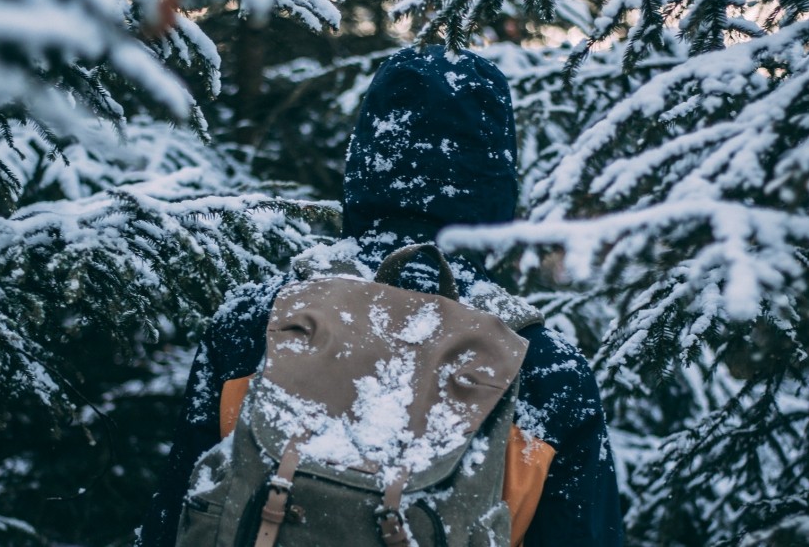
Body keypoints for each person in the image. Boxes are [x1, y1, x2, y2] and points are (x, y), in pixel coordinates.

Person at [138, 45, 624, 546]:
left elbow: (175, 516)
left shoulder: (261, 320)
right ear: (498, 181)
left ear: (366, 156)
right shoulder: (542, 366)